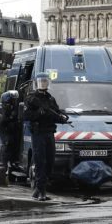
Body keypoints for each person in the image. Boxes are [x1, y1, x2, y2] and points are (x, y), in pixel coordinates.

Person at [23, 71, 70, 201]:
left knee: (50, 161)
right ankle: (42, 190)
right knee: (40, 162)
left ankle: (39, 189)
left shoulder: (50, 98)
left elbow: (55, 113)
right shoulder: (32, 98)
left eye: (45, 81)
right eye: (41, 81)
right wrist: (39, 113)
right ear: (37, 83)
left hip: (49, 133)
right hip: (38, 134)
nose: (43, 83)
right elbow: (26, 116)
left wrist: (62, 118)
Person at [0, 90, 22, 177]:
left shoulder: (12, 107)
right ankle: (3, 171)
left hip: (12, 133)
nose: (14, 101)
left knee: (12, 150)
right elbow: (2, 122)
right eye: (12, 99)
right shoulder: (4, 109)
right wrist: (11, 119)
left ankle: (11, 167)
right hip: (6, 133)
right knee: (5, 151)